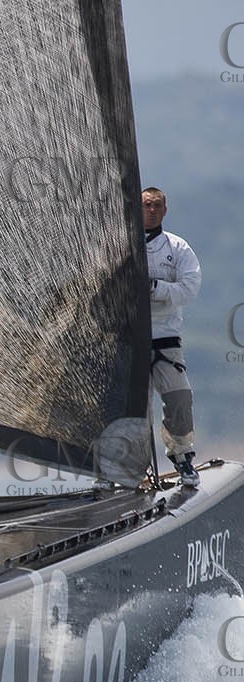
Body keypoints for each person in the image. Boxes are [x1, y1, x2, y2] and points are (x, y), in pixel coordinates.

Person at [143, 187, 203, 487]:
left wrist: (156, 289)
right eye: (145, 205)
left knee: (179, 399)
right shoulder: (118, 245)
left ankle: (182, 459)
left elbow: (190, 289)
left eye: (156, 205)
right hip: (129, 340)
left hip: (166, 338)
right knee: (128, 407)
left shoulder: (177, 247)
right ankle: (119, 469)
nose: (151, 210)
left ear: (165, 210)